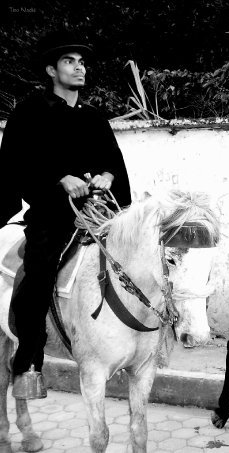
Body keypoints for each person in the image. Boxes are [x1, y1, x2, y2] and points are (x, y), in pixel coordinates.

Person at [0, 29, 131, 398]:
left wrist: (107, 177)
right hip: (52, 214)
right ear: (51, 70)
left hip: (98, 212)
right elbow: (15, 163)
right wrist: (59, 178)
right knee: (39, 269)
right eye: (69, 62)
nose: (79, 68)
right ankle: (29, 363)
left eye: (82, 62)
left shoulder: (94, 117)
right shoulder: (29, 111)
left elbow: (113, 163)